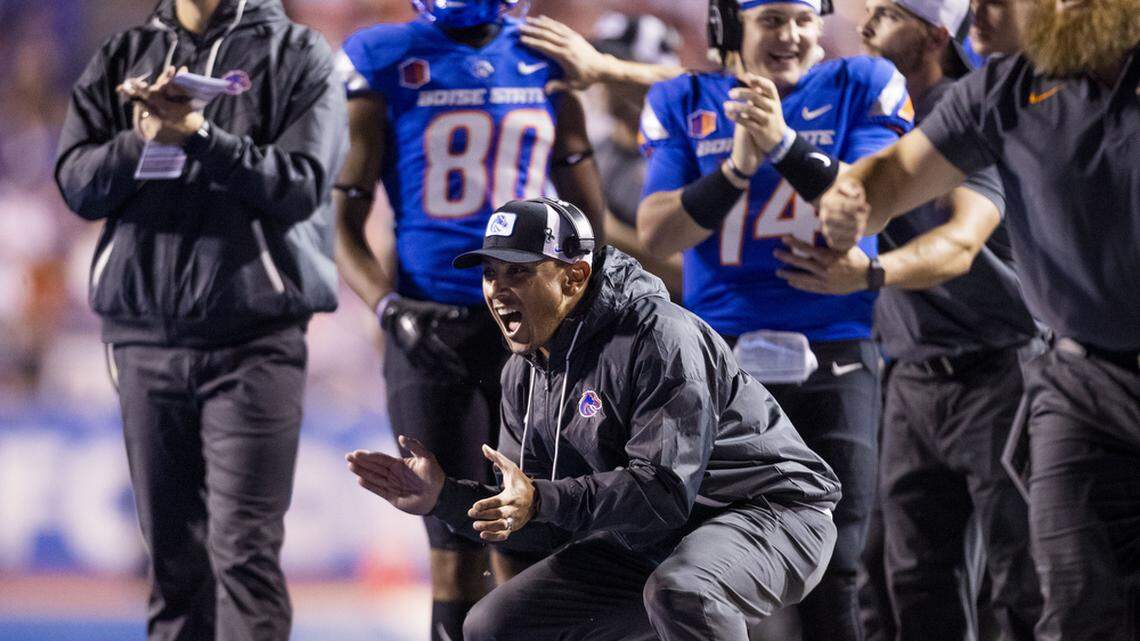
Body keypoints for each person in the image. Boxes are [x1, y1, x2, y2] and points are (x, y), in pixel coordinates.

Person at [346, 197, 841, 641]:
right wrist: (444, 497)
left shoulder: (659, 337)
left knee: (685, 592)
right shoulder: (523, 372)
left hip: (770, 511)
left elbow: (662, 493)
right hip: (657, 533)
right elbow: (537, 518)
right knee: (494, 625)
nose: (497, 289)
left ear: (574, 277)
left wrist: (540, 500)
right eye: (491, 273)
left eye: (518, 272)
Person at [818, 0, 1140, 638]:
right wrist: (854, 198)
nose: (979, 9)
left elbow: (962, 241)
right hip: (1081, 384)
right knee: (1072, 605)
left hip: (1001, 362)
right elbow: (896, 172)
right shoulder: (1006, 89)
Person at [53, 0, 347, 639]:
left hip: (255, 338)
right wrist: (141, 140)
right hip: (144, 339)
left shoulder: (297, 54)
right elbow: (76, 184)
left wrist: (201, 137)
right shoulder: (122, 55)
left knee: (245, 554)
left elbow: (302, 184)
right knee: (172, 564)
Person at [632, 1, 914, 639]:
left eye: (803, 19)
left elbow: (864, 208)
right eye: (772, 20)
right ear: (731, 25)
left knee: (838, 568)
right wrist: (735, 169)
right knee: (701, 566)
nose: (791, 35)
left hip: (836, 347)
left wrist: (783, 145)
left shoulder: (862, 82)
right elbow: (658, 232)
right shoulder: (688, 98)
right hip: (717, 361)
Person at [333, 2, 607, 638]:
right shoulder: (385, 55)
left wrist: (590, 300)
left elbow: (588, 217)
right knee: (453, 553)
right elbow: (342, 217)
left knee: (528, 543)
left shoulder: (543, 51)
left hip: (533, 330)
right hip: (431, 328)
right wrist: (387, 306)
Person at [783, 0, 1044, 639]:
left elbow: (960, 243)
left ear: (935, 35)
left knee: (1021, 583)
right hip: (913, 374)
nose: (867, 24)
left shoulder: (960, 109)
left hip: (999, 371)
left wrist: (871, 274)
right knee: (906, 583)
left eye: (890, 13)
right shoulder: (879, 114)